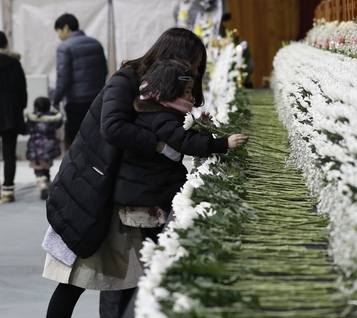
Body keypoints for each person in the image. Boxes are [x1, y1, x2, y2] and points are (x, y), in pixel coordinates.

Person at [42, 27, 213, 318]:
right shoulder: (127, 80)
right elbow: (113, 127)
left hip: (124, 191)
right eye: (194, 63)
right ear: (176, 57)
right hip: (94, 190)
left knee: (123, 278)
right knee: (75, 279)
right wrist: (160, 145)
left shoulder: (161, 87)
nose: (195, 71)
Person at [115, 59, 248, 243]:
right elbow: (184, 141)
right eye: (186, 91)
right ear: (170, 92)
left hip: (148, 188)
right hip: (147, 194)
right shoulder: (161, 116)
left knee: (155, 239)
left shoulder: (159, 110)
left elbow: (180, 133)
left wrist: (200, 125)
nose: (190, 97)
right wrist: (223, 144)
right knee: (156, 241)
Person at [52, 13, 108, 151]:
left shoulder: (65, 47)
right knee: (95, 138)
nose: (59, 36)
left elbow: (63, 78)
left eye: (58, 31)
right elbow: (104, 70)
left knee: (77, 141)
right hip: (97, 99)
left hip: (76, 102)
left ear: (66, 28)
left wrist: (55, 100)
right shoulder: (96, 44)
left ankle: (78, 171)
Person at [0, 30, 27, 203]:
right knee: (9, 151)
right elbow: (22, 91)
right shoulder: (15, 64)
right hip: (11, 112)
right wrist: (19, 108)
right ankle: (8, 190)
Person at [25, 97, 63, 200]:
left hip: (35, 148)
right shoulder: (53, 119)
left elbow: (27, 129)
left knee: (38, 169)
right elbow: (60, 123)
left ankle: (42, 184)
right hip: (49, 147)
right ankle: (48, 183)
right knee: (46, 166)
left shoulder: (32, 119)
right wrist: (56, 111)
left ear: (36, 107)